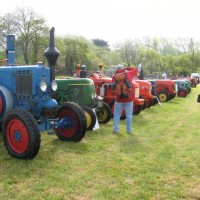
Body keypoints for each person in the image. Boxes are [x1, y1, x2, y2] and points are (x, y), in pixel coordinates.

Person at [112, 66, 137, 134]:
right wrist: (127, 68)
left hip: (118, 99)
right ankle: (129, 130)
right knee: (129, 115)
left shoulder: (114, 77)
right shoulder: (128, 74)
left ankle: (115, 129)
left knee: (117, 114)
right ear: (123, 69)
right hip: (128, 99)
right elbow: (135, 69)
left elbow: (113, 88)